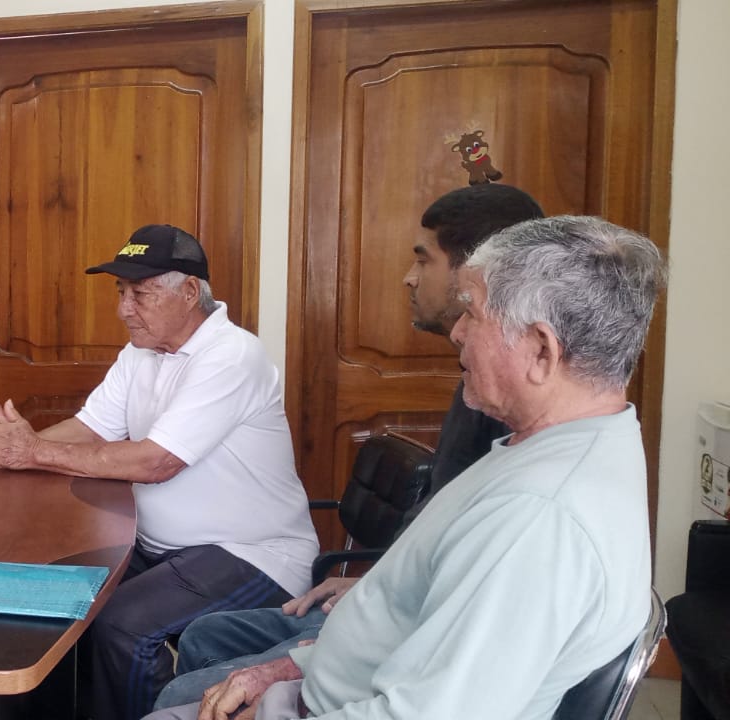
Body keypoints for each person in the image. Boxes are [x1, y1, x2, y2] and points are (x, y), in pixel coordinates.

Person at [191, 215, 665, 720]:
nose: (457, 332)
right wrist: (297, 666)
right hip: (332, 685)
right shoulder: (556, 447)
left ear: (541, 350)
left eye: (472, 313)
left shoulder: (538, 516)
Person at [151, 183, 542, 713]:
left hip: (405, 625)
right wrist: (371, 580)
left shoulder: (507, 417)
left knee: (181, 693)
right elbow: (434, 540)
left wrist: (310, 656)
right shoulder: (475, 390)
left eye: (423, 260)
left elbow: (453, 631)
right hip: (390, 593)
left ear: (478, 273)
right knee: (204, 636)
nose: (408, 277)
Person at [0, 224, 320, 720]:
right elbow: (90, 429)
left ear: (190, 292)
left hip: (253, 553)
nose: (124, 308)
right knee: (53, 598)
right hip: (158, 547)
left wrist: (31, 452)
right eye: (121, 292)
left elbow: (155, 462)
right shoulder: (142, 351)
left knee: (122, 625)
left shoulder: (232, 355)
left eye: (139, 294)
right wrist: (7, 450)